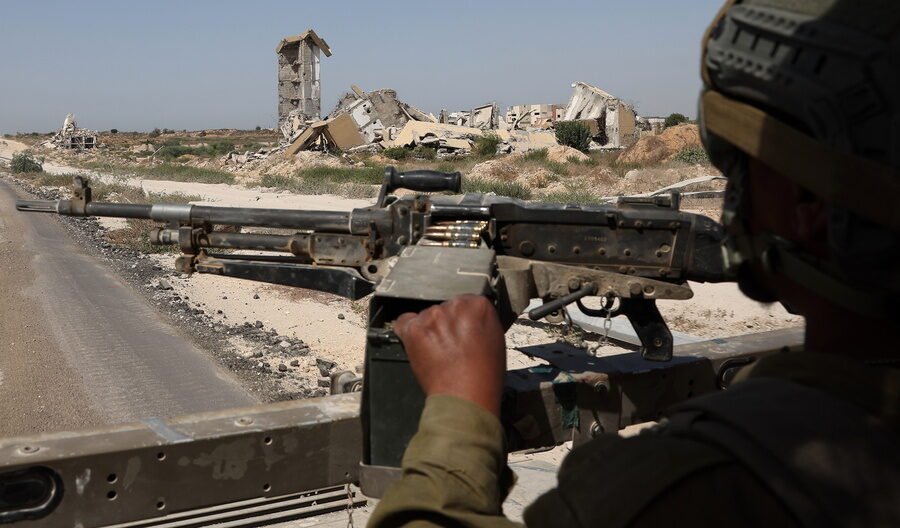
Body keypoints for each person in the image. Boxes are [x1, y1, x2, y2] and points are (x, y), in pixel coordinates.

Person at [368, 1, 900, 526]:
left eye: (741, 172)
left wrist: (460, 405)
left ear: (808, 203)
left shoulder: (692, 484)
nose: (733, 204)